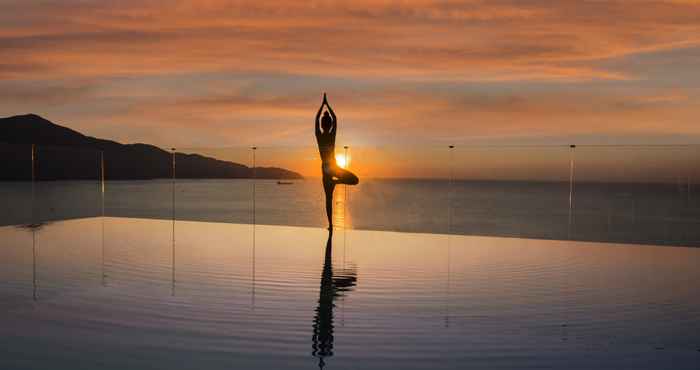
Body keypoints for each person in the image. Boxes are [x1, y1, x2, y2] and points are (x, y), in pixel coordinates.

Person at [315, 93, 359, 230]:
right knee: (354, 180)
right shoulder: (330, 135)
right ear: (329, 124)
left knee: (329, 199)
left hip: (326, 168)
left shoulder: (319, 136)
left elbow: (316, 119)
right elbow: (335, 118)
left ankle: (330, 225)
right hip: (333, 167)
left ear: (323, 124)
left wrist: (322, 106)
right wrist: (327, 105)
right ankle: (336, 182)